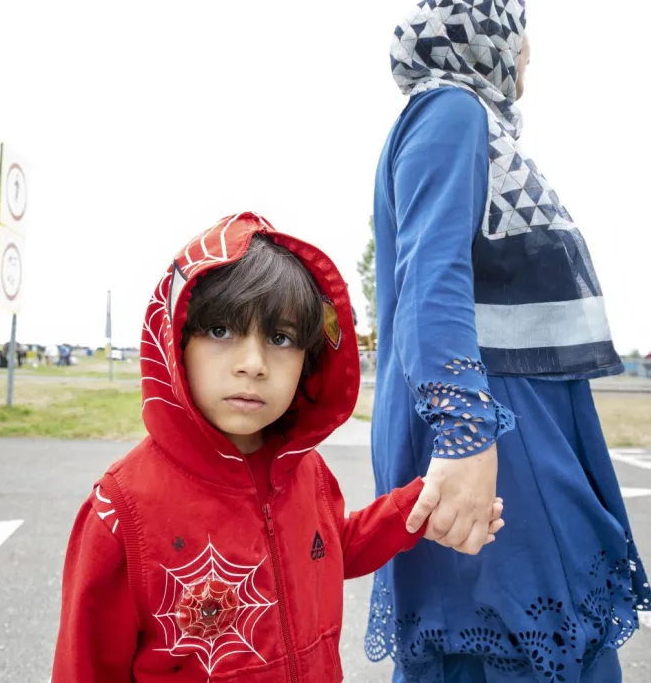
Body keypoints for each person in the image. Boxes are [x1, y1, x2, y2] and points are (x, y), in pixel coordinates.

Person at [50, 212, 504, 681]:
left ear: (309, 360)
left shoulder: (305, 469)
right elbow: (83, 667)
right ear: (175, 340)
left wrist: (420, 507)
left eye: (281, 338)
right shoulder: (120, 509)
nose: (253, 364)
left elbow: (329, 550)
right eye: (221, 331)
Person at [367, 0, 651, 682]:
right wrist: (466, 435)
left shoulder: (468, 125)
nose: (529, 56)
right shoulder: (452, 112)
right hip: (494, 418)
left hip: (511, 412)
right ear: (486, 40)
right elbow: (431, 281)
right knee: (511, 637)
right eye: (520, 36)